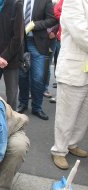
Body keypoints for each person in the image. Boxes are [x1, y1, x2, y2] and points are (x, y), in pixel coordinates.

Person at [50, 0, 88, 169]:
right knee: (66, 115)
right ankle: (59, 150)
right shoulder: (74, 1)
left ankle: (72, 144)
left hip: (85, 71)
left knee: (83, 114)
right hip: (73, 69)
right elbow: (81, 34)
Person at [17, 0, 57, 120]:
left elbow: (52, 19)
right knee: (22, 75)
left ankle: (37, 108)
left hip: (38, 43)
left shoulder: (45, 1)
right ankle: (23, 103)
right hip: (20, 43)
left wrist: (34, 25)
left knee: (38, 77)